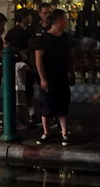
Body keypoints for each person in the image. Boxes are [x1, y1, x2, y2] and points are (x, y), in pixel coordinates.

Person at [34, 9, 75, 146]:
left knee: (63, 104)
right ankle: (46, 133)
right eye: (64, 19)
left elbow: (70, 57)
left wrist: (72, 72)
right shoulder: (43, 39)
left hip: (62, 75)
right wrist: (43, 78)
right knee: (47, 104)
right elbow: (38, 59)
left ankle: (64, 133)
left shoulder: (65, 38)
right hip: (49, 76)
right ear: (59, 21)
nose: (66, 22)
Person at [5, 8, 36, 126]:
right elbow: (7, 46)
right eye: (29, 16)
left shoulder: (31, 31)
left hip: (28, 61)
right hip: (18, 63)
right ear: (23, 18)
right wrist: (19, 52)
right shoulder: (14, 32)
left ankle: (31, 113)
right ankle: (20, 116)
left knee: (29, 87)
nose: (31, 18)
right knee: (19, 89)